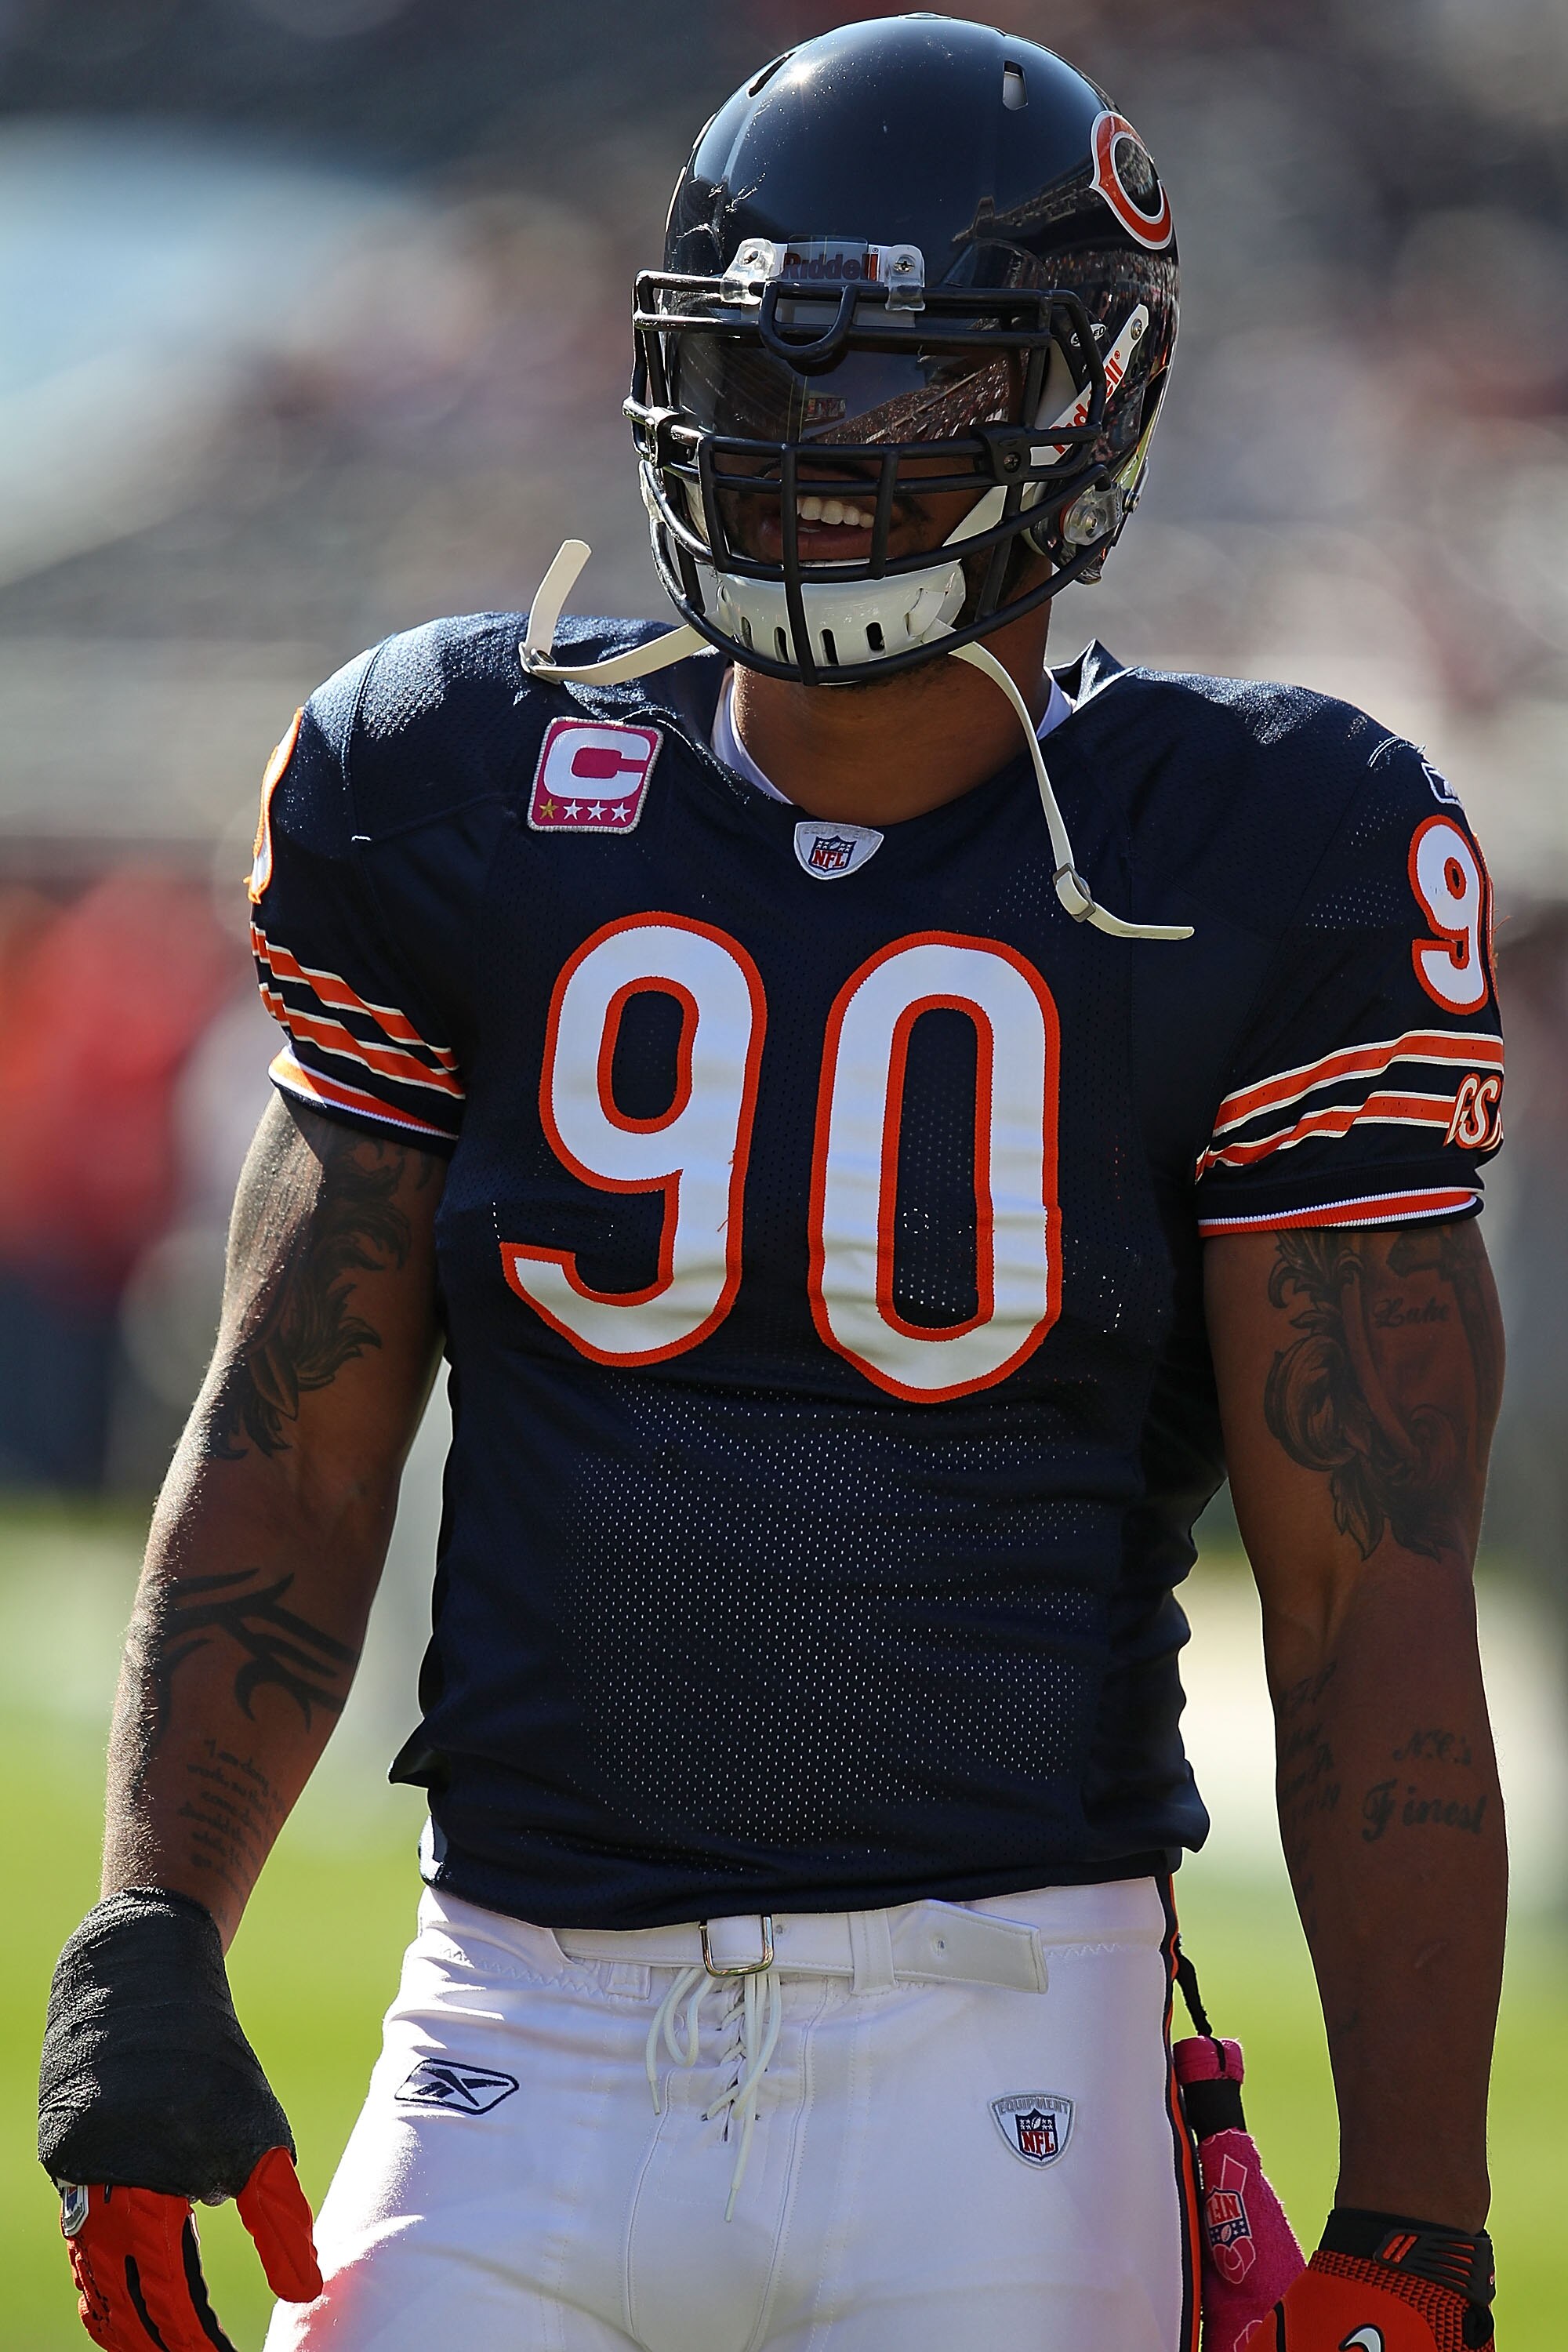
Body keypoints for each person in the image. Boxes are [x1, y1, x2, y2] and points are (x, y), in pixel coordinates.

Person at [38, 19, 1505, 2351]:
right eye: (762, 378)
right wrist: (147, 1934)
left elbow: (1366, 1607)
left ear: (1081, 405)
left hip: (1002, 2047)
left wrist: (1417, 2215)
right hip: (509, 2027)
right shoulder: (449, 778)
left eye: (908, 388)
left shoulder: (1270, 851)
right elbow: (292, 1434)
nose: (815, 457)